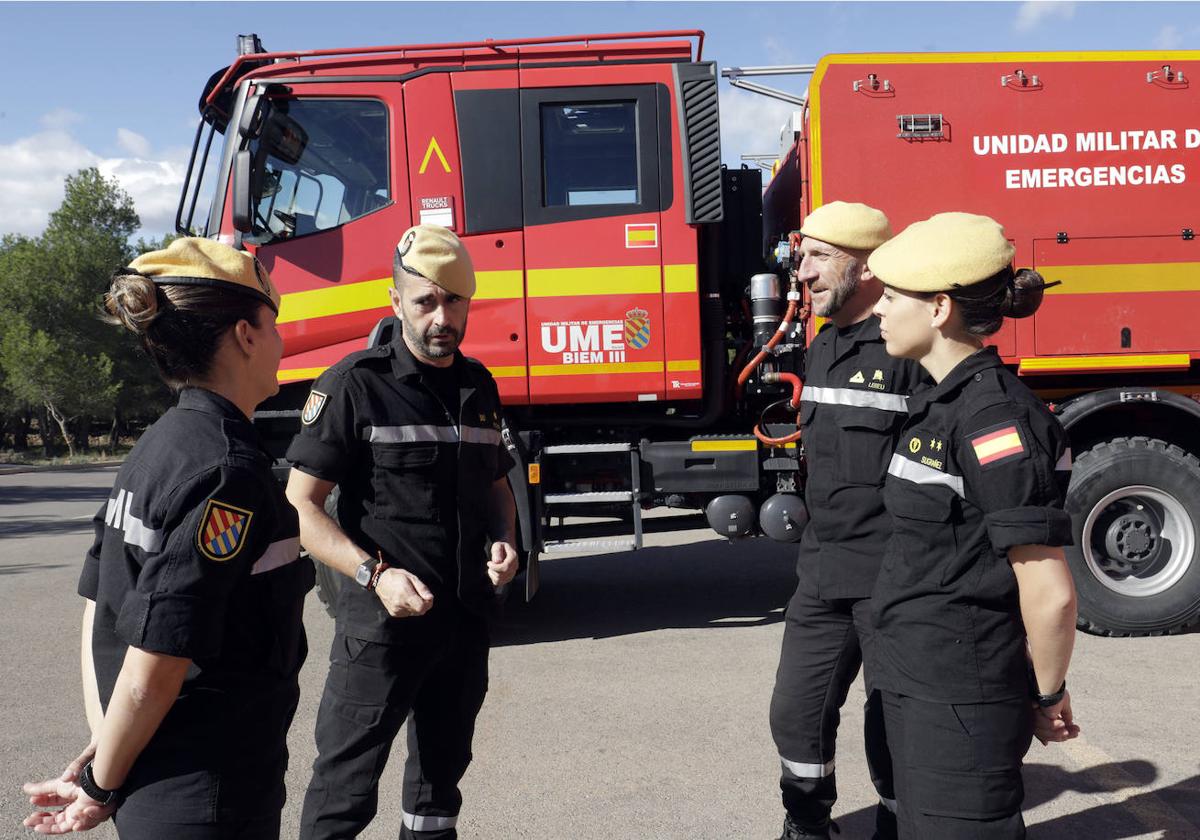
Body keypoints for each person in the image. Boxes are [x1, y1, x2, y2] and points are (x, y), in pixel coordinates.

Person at [23, 238, 313, 838]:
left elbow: (98, 605)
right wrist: (101, 782)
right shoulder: (227, 471)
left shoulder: (157, 447)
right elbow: (158, 662)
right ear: (246, 335)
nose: (283, 342)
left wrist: (105, 751)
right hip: (207, 795)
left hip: (156, 781)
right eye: (273, 323)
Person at [287, 224, 519, 840]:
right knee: (344, 788)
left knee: (439, 786)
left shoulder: (479, 387)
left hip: (462, 623)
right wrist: (375, 576)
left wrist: (507, 543)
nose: (441, 317)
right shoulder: (353, 384)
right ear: (396, 303)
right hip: (382, 628)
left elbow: (497, 486)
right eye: (425, 301)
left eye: (454, 301)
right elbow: (302, 508)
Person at [867, 212, 1081, 839]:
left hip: (960, 699)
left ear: (938, 308)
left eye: (891, 296)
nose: (879, 309)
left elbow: (1049, 591)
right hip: (909, 678)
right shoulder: (940, 401)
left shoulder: (994, 420)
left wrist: (1045, 696)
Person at [769, 202, 926, 840]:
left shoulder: (906, 344)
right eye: (800, 255)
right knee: (796, 712)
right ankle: (808, 824)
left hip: (892, 578)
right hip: (823, 571)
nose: (799, 269)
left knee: (890, 724)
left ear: (862, 265)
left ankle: (898, 825)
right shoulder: (825, 343)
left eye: (816, 256)